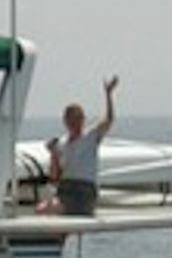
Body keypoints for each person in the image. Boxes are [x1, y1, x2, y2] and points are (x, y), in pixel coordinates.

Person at [38, 74, 119, 216]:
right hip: (65, 190)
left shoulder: (90, 136)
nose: (75, 123)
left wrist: (108, 95)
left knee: (50, 210)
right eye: (72, 119)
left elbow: (109, 120)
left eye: (79, 119)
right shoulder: (61, 143)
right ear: (65, 121)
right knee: (40, 209)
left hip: (83, 193)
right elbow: (55, 176)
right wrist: (53, 155)